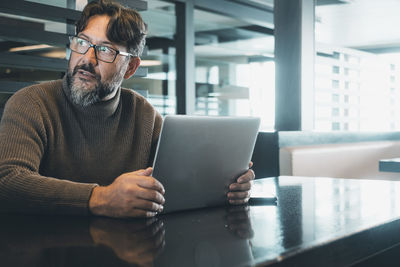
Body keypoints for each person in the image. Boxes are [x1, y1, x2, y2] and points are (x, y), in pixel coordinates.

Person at [0, 0, 254, 218]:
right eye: (82, 43)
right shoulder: (32, 103)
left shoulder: (143, 115)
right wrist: (99, 198)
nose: (87, 59)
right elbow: (7, 181)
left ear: (131, 68)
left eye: (105, 50)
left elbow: (180, 182)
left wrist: (227, 188)